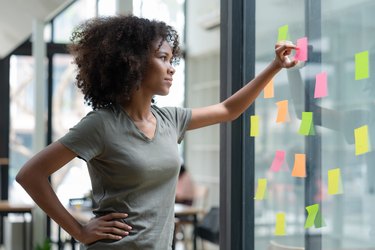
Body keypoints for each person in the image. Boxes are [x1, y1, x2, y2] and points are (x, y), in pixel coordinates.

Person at [16, 15, 297, 250]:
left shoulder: (170, 119)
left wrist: (274, 67)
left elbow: (228, 110)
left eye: (172, 59)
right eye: (163, 58)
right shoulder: (100, 125)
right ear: (132, 62)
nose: (171, 69)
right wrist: (79, 230)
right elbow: (30, 175)